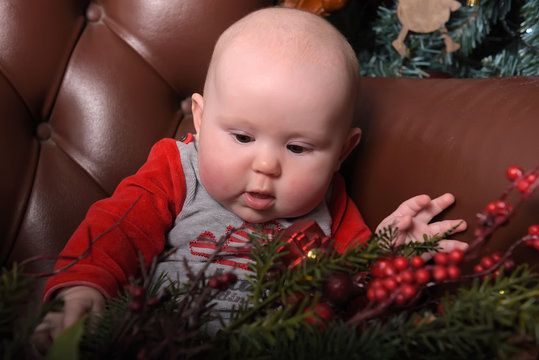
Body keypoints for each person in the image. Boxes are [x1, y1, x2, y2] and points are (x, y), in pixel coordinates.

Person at [33, 6, 468, 348]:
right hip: (158, 336)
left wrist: (388, 257)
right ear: (200, 123)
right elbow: (117, 229)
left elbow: (356, 293)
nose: (266, 166)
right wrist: (83, 288)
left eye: (297, 148)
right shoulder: (178, 171)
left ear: (342, 153)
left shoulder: (331, 208)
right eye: (242, 137)